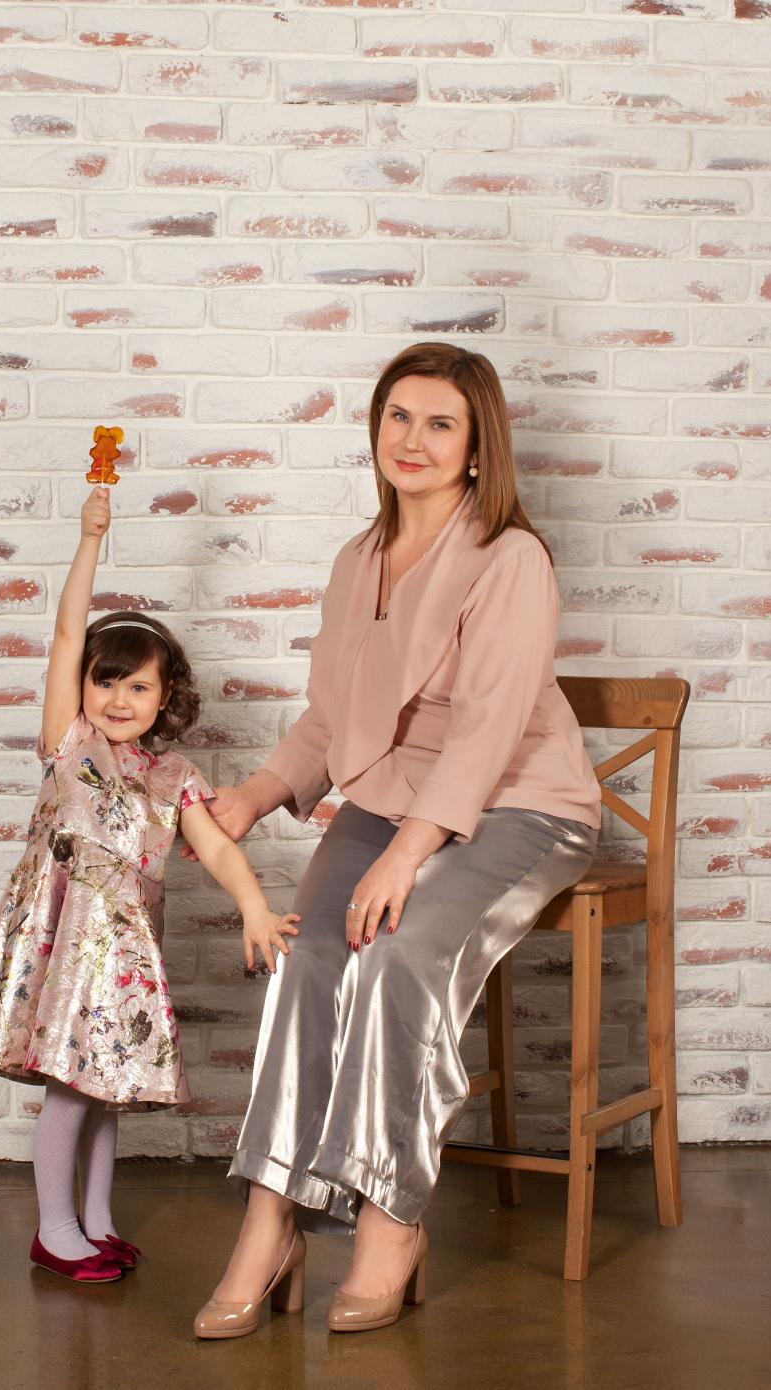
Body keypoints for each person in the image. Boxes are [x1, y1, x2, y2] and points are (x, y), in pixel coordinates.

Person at [193, 342, 603, 1338]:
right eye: (398, 417)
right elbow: (330, 721)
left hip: (519, 805)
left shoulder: (511, 558)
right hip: (387, 806)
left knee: (398, 952)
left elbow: (488, 730)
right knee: (306, 955)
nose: (412, 439)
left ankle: (388, 1218)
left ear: (476, 448)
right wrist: (252, 797)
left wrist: (406, 853)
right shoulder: (356, 559)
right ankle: (270, 1222)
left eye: (439, 423)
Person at [0, 483, 302, 1284]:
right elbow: (69, 631)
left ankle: (97, 1221)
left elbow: (218, 849)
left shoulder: (173, 777)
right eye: (106, 682)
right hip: (63, 946)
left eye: (139, 687)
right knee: (73, 1087)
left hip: (124, 954)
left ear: (167, 699)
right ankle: (56, 1230)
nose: (118, 699)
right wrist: (89, 540)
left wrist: (254, 907)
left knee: (105, 1088)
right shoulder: (70, 744)